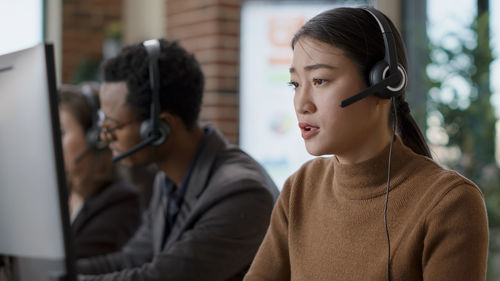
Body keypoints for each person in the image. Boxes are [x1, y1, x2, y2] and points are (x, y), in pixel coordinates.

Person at [244, 6, 488, 281]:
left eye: (320, 80)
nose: (301, 104)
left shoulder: (449, 204)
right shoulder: (299, 189)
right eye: (295, 84)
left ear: (385, 83)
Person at [77, 39, 279, 281]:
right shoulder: (168, 180)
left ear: (159, 128)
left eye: (114, 125)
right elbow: (131, 259)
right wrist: (49, 271)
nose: (104, 135)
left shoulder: (241, 193)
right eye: (103, 121)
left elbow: (159, 278)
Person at [59, 83, 142, 259]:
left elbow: (71, 265)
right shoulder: (62, 194)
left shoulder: (121, 203)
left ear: (95, 139)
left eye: (60, 131)